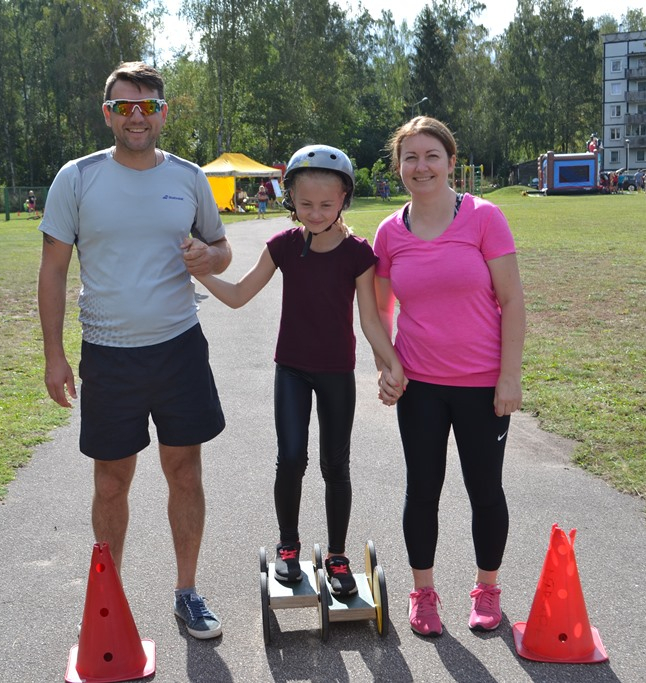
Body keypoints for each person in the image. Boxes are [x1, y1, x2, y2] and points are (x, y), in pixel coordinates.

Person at [38, 61, 231, 640]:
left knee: (185, 474)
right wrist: (54, 354)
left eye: (148, 106)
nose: (137, 116)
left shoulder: (190, 177)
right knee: (111, 482)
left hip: (178, 350)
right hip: (109, 353)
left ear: (163, 113)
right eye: (125, 107)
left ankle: (187, 592)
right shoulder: (76, 178)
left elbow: (220, 250)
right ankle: (109, 599)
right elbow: (52, 271)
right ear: (108, 114)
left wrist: (209, 257)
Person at [193, 145, 405, 598]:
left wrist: (392, 362)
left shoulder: (357, 254)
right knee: (291, 458)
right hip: (291, 369)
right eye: (305, 204)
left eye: (326, 205)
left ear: (344, 200)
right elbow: (237, 295)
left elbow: (370, 320)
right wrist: (198, 272)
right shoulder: (284, 247)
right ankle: (288, 546)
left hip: (336, 373)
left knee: (335, 464)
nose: (314, 212)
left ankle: (337, 556)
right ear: (290, 199)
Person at [373, 116, 526, 637]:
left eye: (431, 155)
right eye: (410, 157)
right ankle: (423, 593)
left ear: (451, 162)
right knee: (422, 490)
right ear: (399, 167)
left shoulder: (485, 218)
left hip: (483, 386)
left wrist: (510, 376)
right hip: (420, 386)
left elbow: (512, 301)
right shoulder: (390, 232)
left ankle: (487, 588)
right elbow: (380, 312)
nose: (421, 166)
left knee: (485, 490)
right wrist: (388, 366)